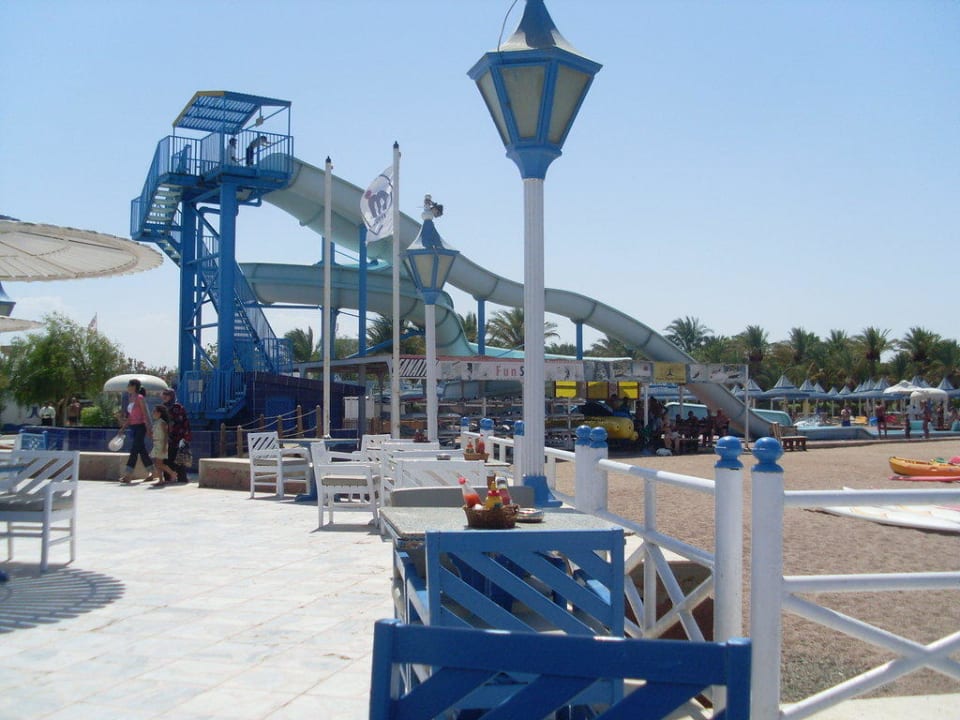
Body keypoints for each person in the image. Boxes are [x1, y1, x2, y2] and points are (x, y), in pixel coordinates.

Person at [119, 379, 154, 484]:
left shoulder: (140, 398)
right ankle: (152, 471)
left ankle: (128, 475)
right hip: (133, 427)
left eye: (129, 385)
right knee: (141, 450)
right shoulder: (131, 398)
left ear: (134, 386)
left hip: (140, 426)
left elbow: (145, 414)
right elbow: (130, 416)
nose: (127, 387)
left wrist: (148, 428)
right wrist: (123, 427)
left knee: (134, 450)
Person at [161, 388, 193, 483]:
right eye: (164, 394)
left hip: (178, 437)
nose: (164, 397)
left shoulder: (178, 407)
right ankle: (168, 477)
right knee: (167, 458)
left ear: (171, 396)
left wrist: (185, 437)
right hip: (166, 437)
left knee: (179, 458)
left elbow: (184, 422)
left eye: (167, 395)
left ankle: (182, 478)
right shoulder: (162, 407)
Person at [146, 405, 174, 485]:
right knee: (157, 463)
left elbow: (165, 435)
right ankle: (161, 479)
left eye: (154, 411)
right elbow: (153, 435)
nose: (153, 413)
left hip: (161, 444)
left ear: (159, 413)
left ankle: (172, 473)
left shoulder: (162, 423)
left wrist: (164, 446)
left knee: (159, 463)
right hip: (156, 444)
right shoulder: (156, 423)